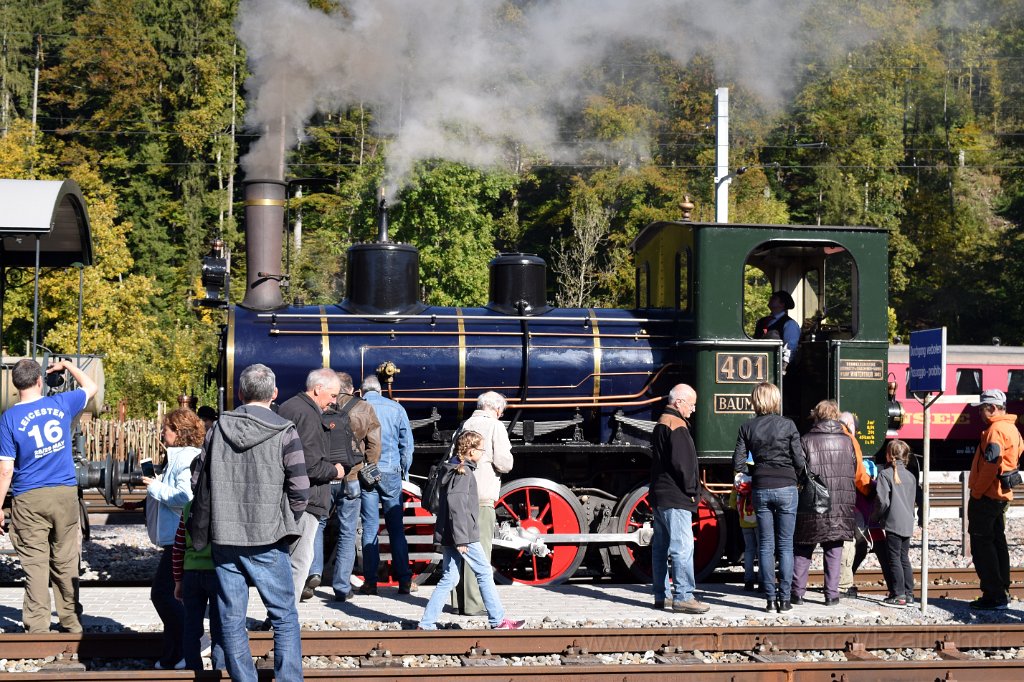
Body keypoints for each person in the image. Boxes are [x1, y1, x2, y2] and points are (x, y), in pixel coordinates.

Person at [188, 363, 309, 682]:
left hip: (225, 536)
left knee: (230, 618)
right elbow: (300, 488)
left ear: (240, 394)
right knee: (284, 617)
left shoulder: (217, 428)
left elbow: (197, 479)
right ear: (274, 394)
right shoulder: (285, 430)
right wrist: (288, 518)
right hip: (268, 536)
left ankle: (244, 679)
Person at [0, 359, 97, 634]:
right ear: (40, 381)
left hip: (29, 498)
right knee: (65, 562)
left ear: (14, 385)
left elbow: (6, 470)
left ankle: (38, 630)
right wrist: (68, 365)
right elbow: (91, 386)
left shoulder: (8, 419)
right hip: (64, 494)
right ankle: (71, 622)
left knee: (35, 566)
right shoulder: (61, 404)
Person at [418, 431, 524, 630]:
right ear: (472, 450)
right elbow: (457, 506)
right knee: (483, 572)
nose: (483, 453)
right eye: (482, 449)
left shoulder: (452, 467)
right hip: (463, 534)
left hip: (452, 533)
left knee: (450, 577)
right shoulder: (463, 472)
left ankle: (426, 623)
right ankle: (498, 620)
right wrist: (462, 540)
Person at [733, 382, 805, 613]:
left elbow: (738, 463)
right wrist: (799, 478)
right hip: (786, 486)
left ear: (756, 401)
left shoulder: (747, 427)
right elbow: (799, 460)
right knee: (785, 545)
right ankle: (785, 600)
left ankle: (770, 600)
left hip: (761, 487)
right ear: (775, 400)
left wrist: (756, 473)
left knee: (765, 545)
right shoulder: (788, 425)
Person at [277, 368, 345, 606]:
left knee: (283, 561)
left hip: (286, 495)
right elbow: (310, 466)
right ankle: (285, 620)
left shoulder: (288, 407)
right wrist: (335, 471)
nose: (334, 402)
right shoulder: (309, 415)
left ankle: (277, 613)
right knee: (299, 561)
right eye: (333, 395)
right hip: (307, 499)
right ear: (318, 389)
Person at [144, 408, 204, 669]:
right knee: (170, 595)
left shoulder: (185, 458)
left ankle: (190, 643)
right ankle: (173, 653)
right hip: (174, 536)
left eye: (166, 429)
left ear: (178, 433)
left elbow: (185, 498)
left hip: (179, 537)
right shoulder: (178, 457)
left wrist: (155, 487)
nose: (162, 433)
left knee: (162, 595)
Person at [790, 400, 856, 607]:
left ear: (816, 416)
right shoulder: (847, 441)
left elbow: (799, 471)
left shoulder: (806, 440)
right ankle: (831, 595)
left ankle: (797, 593)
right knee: (834, 549)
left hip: (812, 501)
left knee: (803, 548)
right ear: (836, 416)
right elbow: (853, 469)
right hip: (839, 503)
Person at [453, 391, 514, 616]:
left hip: (462, 494)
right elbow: (505, 463)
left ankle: (459, 602)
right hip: (481, 496)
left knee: (462, 547)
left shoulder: (465, 424)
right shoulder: (495, 426)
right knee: (479, 549)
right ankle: (473, 603)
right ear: (497, 409)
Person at [650, 384, 710, 614]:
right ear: (679, 402)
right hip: (676, 495)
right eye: (692, 404)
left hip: (660, 494)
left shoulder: (662, 421)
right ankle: (684, 596)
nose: (693, 409)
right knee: (682, 547)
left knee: (660, 548)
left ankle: (661, 595)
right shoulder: (677, 425)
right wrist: (692, 490)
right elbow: (683, 464)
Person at [325, 371, 381, 602]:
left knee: (316, 526)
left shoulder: (323, 405)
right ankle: (341, 585)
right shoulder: (364, 408)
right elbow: (374, 444)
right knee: (348, 531)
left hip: (324, 476)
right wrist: (368, 466)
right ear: (352, 389)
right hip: (352, 476)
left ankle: (312, 575)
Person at [359, 376, 416, 594]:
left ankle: (371, 582)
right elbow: (406, 445)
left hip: (367, 472)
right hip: (391, 471)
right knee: (396, 529)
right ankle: (404, 580)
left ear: (362, 391)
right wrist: (404, 470)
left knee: (370, 528)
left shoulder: (358, 408)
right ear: (381, 390)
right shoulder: (396, 408)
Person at [967, 388, 1022, 610]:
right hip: (1001, 495)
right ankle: (1002, 590)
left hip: (988, 495)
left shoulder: (996, 430)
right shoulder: (1012, 428)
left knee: (981, 544)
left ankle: (994, 594)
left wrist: (977, 492)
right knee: (997, 542)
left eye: (982, 408)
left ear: (992, 408)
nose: (980, 412)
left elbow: (990, 465)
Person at [172, 495, 225, 672]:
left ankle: (194, 669)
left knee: (191, 627)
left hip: (191, 574)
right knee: (219, 627)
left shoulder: (188, 507)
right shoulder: (224, 505)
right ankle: (220, 669)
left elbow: (178, 547)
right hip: (218, 573)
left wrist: (178, 581)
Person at [873, 439, 917, 607]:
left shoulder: (885, 474)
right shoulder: (911, 476)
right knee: (904, 558)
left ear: (888, 455)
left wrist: (875, 517)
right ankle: (909, 594)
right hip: (907, 521)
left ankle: (898, 595)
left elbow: (882, 501)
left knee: (894, 558)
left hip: (893, 522)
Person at [836, 411, 873, 598]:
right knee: (847, 542)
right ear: (850, 425)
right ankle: (842, 585)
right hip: (844, 499)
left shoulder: (818, 436)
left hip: (822, 499)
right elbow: (859, 475)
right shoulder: (849, 439)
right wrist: (870, 491)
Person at [728, 456, 759, 592]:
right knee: (763, 549)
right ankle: (764, 580)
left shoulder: (739, 479)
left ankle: (748, 581)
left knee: (749, 550)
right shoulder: (759, 478)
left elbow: (732, 503)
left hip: (744, 520)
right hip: (759, 520)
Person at [753, 291, 801, 369]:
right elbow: (760, 335)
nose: (770, 299)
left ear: (782, 304)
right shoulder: (763, 321)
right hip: (758, 364)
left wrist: (782, 368)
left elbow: (790, 348)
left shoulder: (789, 324)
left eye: (774, 298)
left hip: (777, 367)